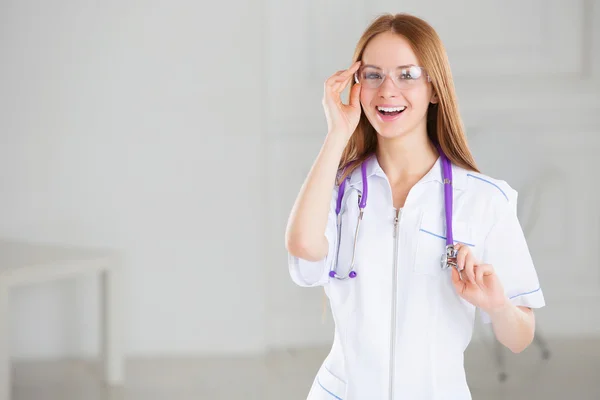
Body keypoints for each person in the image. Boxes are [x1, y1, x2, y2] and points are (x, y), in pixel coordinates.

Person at [284, 12, 545, 400]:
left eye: (407, 74)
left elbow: (521, 336)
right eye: (372, 75)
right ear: (357, 85)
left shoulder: (485, 200)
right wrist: (337, 133)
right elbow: (304, 247)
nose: (388, 90)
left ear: (434, 88)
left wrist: (498, 306)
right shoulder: (336, 189)